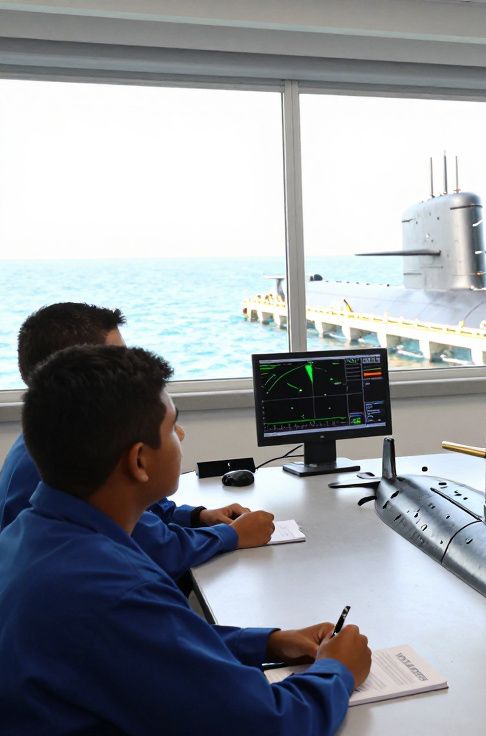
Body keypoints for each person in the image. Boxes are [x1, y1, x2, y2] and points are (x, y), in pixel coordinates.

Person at [0, 345, 372, 733]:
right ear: (139, 461)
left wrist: (269, 643)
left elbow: (157, 646)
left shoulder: (31, 535)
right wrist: (337, 671)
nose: (181, 434)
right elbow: (267, 724)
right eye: (172, 426)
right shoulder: (112, 590)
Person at [0, 302, 274, 579]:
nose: (131, 368)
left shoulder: (53, 435)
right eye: (116, 359)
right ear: (79, 371)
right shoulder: (60, 457)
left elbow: (143, 517)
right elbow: (158, 548)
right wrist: (230, 535)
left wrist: (197, 517)